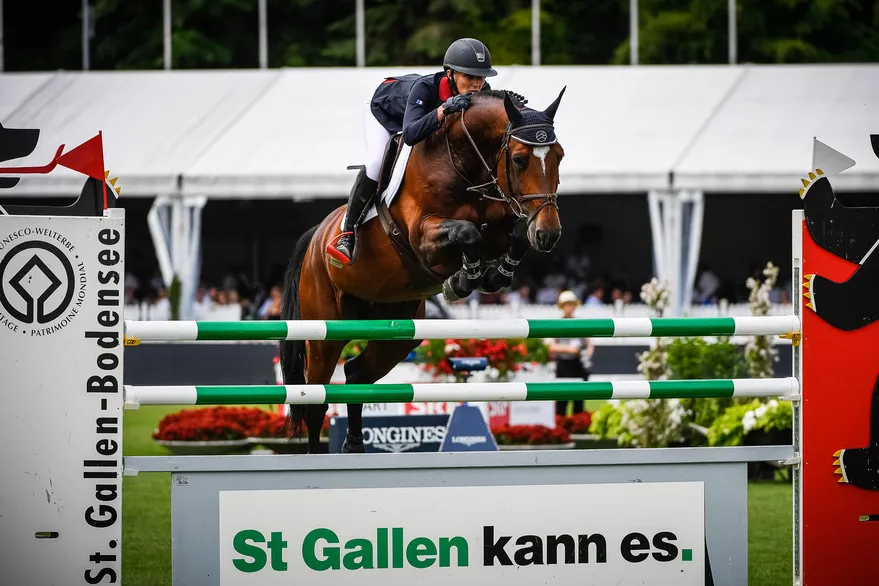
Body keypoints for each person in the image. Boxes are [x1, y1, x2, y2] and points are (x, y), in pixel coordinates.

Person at [326, 38, 498, 266]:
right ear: (449, 74)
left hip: (418, 118)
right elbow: (410, 134)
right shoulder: (425, 89)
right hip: (384, 112)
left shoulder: (481, 90)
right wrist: (443, 109)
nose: (476, 85)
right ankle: (347, 234)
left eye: (480, 77)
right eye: (469, 77)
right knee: (376, 162)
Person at [548, 290, 594, 416]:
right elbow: (552, 346)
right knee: (562, 398)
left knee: (579, 398)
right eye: (567, 304)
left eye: (572, 304)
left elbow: (589, 344)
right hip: (564, 363)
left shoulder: (580, 323)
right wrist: (568, 349)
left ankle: (578, 425)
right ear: (562, 306)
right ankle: (562, 426)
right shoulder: (557, 324)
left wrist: (585, 355)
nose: (570, 307)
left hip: (578, 363)